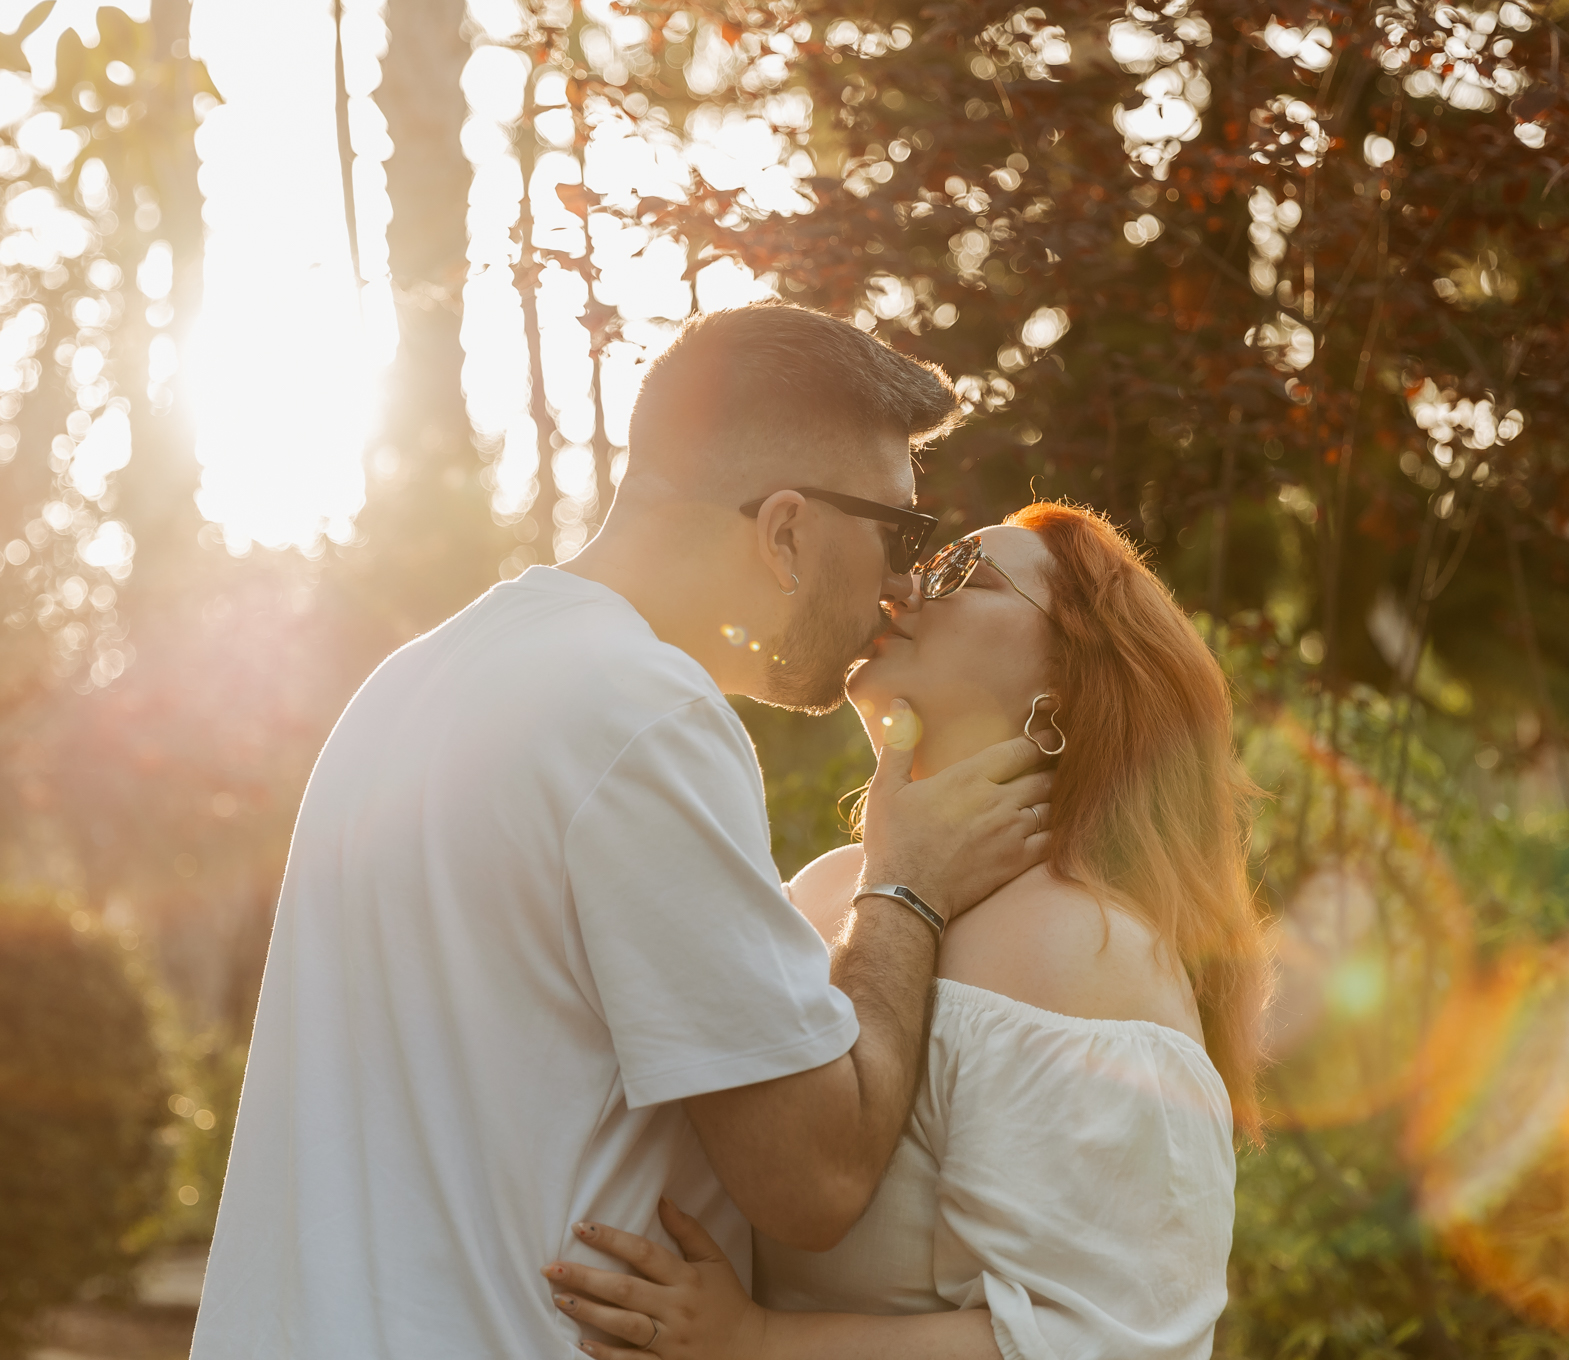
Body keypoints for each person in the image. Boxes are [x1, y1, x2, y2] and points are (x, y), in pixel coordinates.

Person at [190, 304, 1057, 1358]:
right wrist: (906, 880)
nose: (902, 587)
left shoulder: (413, 681)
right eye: (900, 535)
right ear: (787, 530)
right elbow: (815, 1178)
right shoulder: (640, 714)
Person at [539, 503, 1268, 1360]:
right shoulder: (820, 890)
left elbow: (1103, 1343)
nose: (904, 588)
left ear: (1069, 681)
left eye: (966, 575)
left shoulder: (1086, 950)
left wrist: (758, 1341)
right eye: (924, 564)